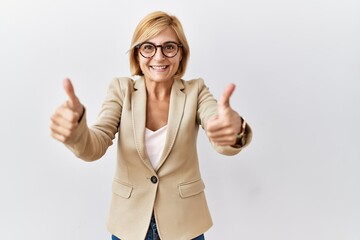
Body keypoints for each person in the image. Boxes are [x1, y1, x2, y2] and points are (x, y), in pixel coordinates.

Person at [50, 11, 252, 240]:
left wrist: (233, 130)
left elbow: (217, 123)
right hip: (130, 223)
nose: (159, 56)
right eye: (148, 47)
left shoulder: (196, 91)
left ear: (181, 53)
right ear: (137, 54)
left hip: (184, 224)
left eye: (169, 47)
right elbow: (95, 143)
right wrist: (76, 130)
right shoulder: (121, 90)